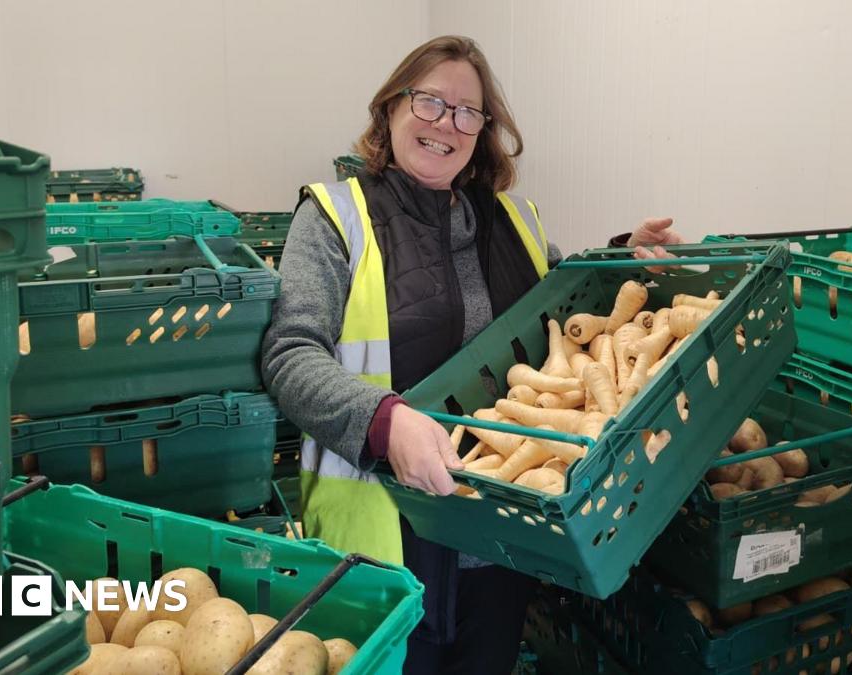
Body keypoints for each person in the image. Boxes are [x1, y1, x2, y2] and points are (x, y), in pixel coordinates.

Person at [261, 35, 684, 675]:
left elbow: (569, 315)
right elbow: (291, 352)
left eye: (467, 112)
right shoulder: (334, 217)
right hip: (386, 545)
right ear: (391, 107)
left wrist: (625, 258)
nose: (445, 124)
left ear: (484, 130)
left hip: (500, 543)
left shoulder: (518, 220)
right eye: (429, 102)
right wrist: (384, 421)